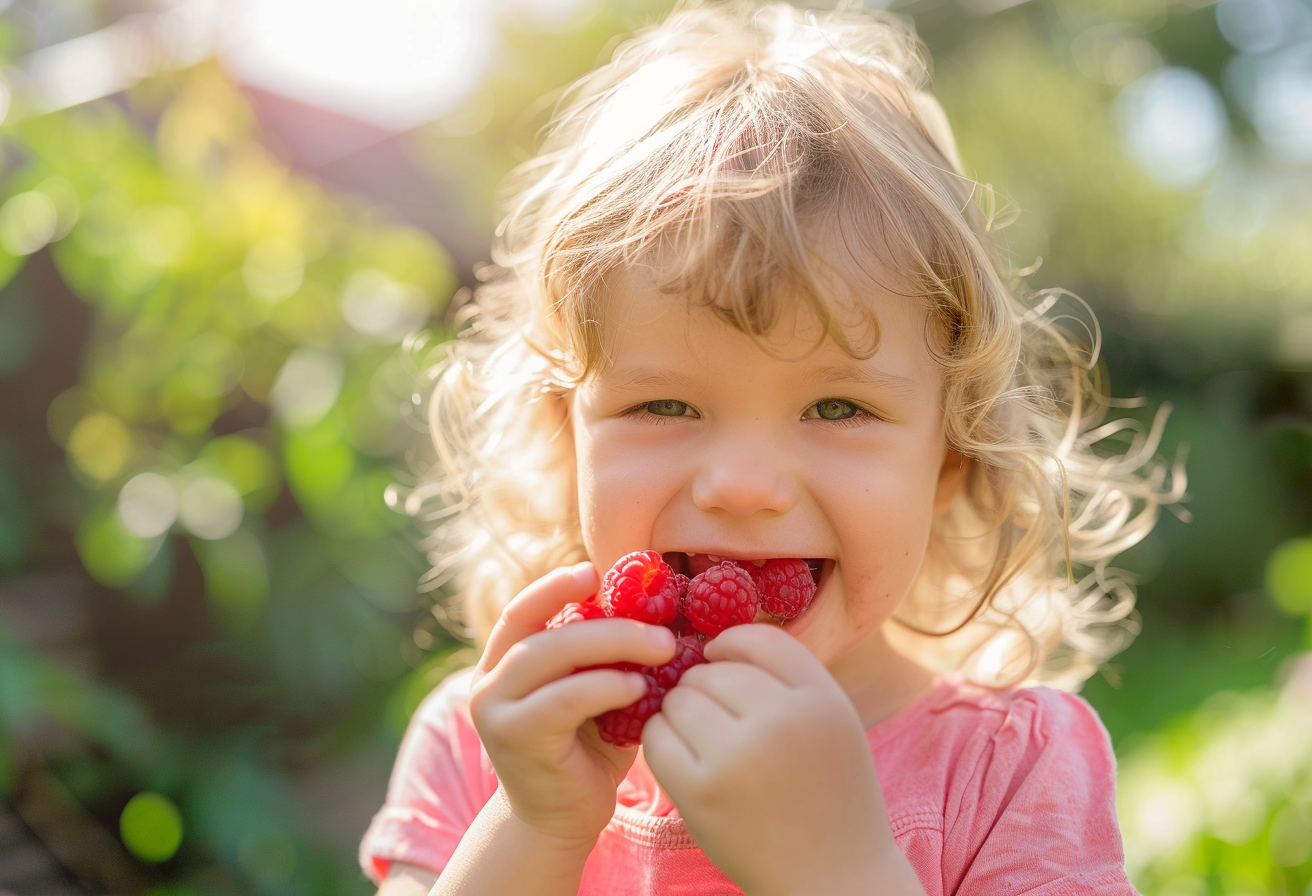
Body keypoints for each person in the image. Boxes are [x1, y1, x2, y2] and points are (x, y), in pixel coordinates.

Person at [360, 2, 1181, 893]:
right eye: (664, 404)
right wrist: (534, 826)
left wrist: (840, 870)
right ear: (570, 439)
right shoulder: (486, 749)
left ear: (950, 462)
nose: (743, 486)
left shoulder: (1010, 773)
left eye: (836, 407)